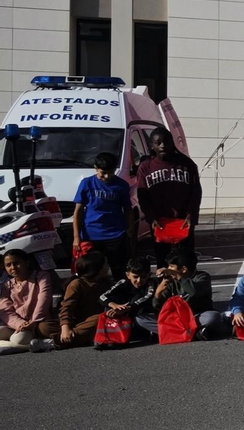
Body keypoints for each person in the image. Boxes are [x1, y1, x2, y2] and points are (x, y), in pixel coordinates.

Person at [135, 127, 202, 260]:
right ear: (152, 145)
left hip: (183, 220)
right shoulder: (146, 166)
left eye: (166, 142)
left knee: (185, 260)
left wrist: (191, 214)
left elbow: (196, 191)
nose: (163, 146)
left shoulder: (186, 164)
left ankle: (187, 281)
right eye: (158, 142)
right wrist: (151, 217)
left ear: (172, 143)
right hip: (160, 221)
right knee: (163, 259)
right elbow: (143, 195)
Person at [73, 152, 136, 275]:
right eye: (103, 173)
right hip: (91, 235)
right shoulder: (87, 183)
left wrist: (130, 229)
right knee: (91, 272)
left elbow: (128, 209)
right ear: (96, 169)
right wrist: (76, 237)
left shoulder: (121, 185)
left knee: (119, 270)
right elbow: (78, 212)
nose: (107, 176)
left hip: (115, 235)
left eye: (111, 172)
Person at [146, 249, 229, 341]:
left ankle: (172, 333)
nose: (168, 269)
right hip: (177, 318)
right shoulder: (170, 280)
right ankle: (195, 334)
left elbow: (194, 292)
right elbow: (158, 306)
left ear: (184, 269)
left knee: (213, 317)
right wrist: (158, 293)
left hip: (196, 315)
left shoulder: (202, 277)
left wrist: (177, 276)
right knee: (141, 319)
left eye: (171, 266)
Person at [43, 250, 111, 350]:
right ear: (97, 269)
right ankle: (82, 336)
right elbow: (67, 307)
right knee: (43, 327)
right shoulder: (77, 283)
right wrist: (65, 327)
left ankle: (55, 342)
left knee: (100, 319)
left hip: (92, 322)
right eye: (106, 264)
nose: (108, 267)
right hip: (75, 321)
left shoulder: (108, 283)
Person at [0, 249, 61, 354]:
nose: (13, 268)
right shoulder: (7, 285)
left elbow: (43, 300)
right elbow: (5, 310)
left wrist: (33, 322)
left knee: (18, 339)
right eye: (8, 265)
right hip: (17, 325)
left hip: (37, 322)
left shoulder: (41, 277)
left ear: (27, 262)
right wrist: (20, 323)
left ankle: (17, 344)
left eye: (16, 263)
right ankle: (27, 344)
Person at [98, 256, 154, 349]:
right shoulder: (123, 282)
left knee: (137, 299)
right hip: (121, 312)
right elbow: (102, 297)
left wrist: (126, 308)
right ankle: (111, 335)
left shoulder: (150, 284)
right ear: (128, 275)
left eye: (143, 277)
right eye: (135, 277)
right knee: (111, 301)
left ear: (149, 275)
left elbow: (147, 298)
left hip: (137, 314)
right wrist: (114, 305)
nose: (139, 281)